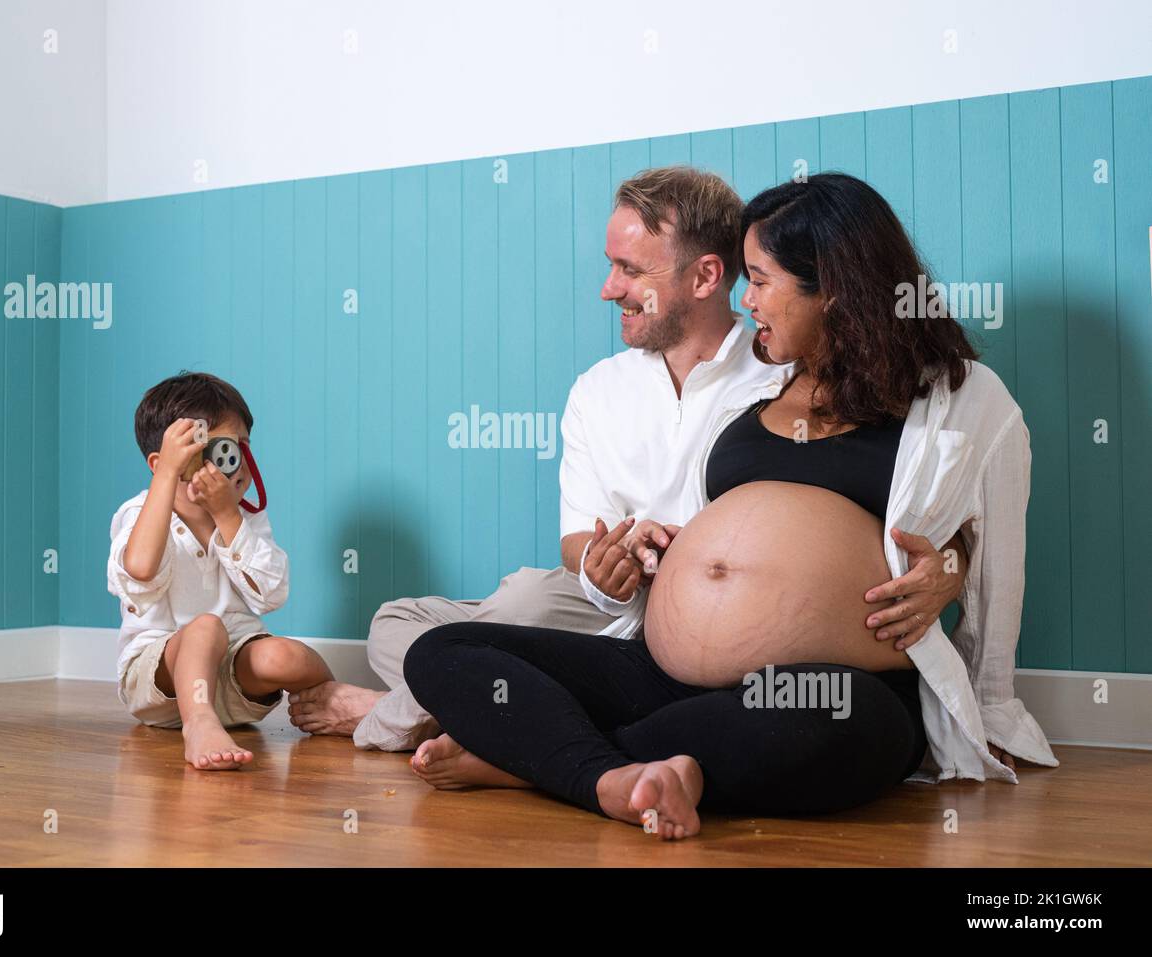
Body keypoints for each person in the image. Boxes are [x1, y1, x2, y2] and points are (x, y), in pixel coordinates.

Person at [402, 173, 1059, 839]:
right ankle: (612, 772)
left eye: (761, 279)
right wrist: (659, 554)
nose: (745, 303)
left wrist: (964, 609)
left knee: (831, 723)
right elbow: (722, 532)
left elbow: (992, 557)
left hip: (831, 684)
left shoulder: (957, 398)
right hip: (664, 670)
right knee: (442, 650)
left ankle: (546, 760)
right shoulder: (760, 385)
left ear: (832, 288)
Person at [288, 166, 963, 751]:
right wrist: (599, 564)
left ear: (705, 275)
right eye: (612, 266)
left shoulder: (782, 376)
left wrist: (950, 571)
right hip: (600, 608)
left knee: (489, 639)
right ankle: (467, 708)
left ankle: (399, 715)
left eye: (631, 270)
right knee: (398, 625)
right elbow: (580, 533)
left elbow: (886, 501)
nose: (608, 289)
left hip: (706, 621)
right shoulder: (599, 389)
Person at [107, 371, 332, 770]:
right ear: (163, 463)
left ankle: (332, 701)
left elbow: (272, 595)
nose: (233, 460)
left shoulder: (245, 517)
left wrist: (227, 515)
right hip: (161, 684)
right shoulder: (137, 515)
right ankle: (199, 724)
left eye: (240, 446)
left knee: (288, 656)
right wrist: (166, 478)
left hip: (233, 680)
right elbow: (140, 571)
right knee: (206, 626)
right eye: (214, 448)